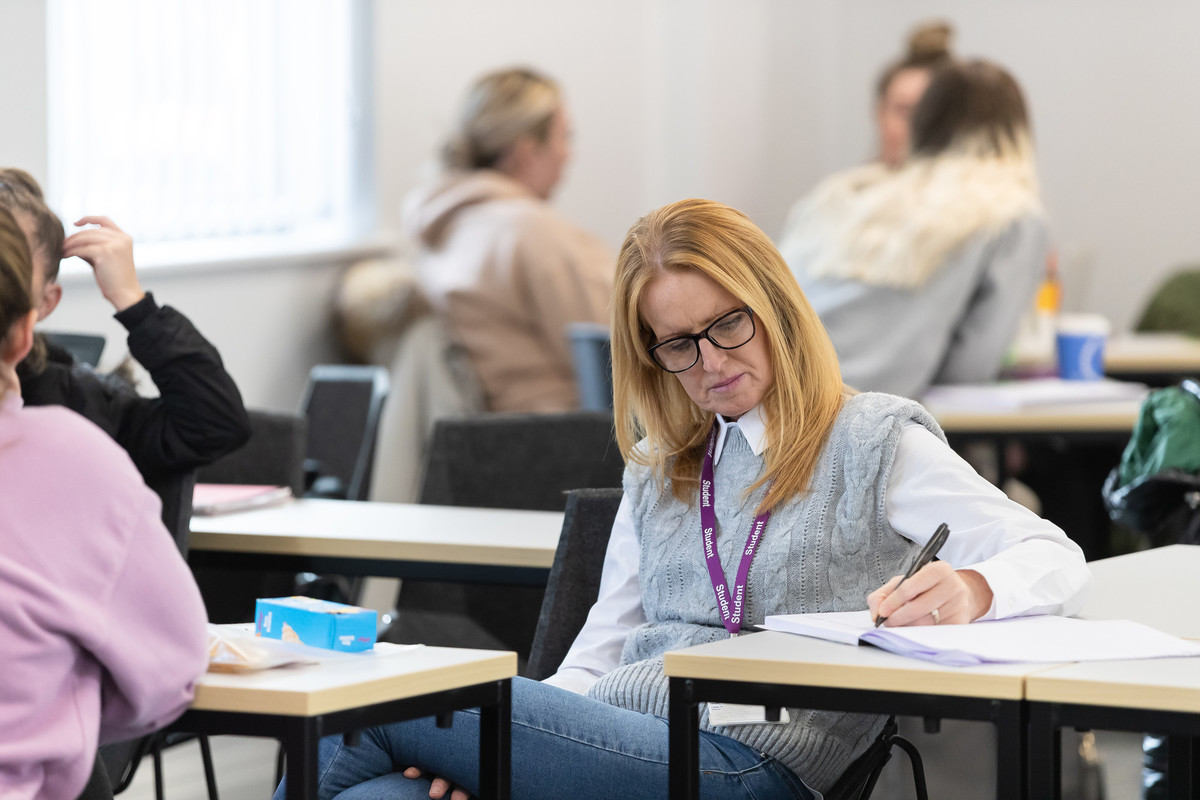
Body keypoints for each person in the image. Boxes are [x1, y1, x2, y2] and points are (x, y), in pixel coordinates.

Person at [276, 199, 1089, 800]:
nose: (709, 361)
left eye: (727, 325)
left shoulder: (874, 440)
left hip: (755, 759)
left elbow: (1053, 553)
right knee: (375, 797)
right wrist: (502, 753)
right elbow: (602, 648)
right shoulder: (664, 464)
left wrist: (975, 587)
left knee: (387, 700)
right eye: (677, 344)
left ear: (774, 306)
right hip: (628, 739)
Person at [0, 205, 210, 800]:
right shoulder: (71, 453)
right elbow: (171, 670)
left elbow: (211, 422)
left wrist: (137, 307)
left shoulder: (71, 396)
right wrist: (55, 699)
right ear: (25, 328)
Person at [0, 168, 250, 543]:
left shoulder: (75, 404)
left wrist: (135, 306)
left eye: (14, 267)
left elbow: (214, 423)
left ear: (46, 302)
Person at [778, 59, 1047, 400]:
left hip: (762, 396)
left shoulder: (846, 193)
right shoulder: (1012, 215)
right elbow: (971, 368)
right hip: (851, 413)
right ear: (1018, 130)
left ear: (923, 122)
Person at [402, 67, 613, 412]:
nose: (569, 154)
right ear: (526, 151)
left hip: (489, 442)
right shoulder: (532, 234)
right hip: (569, 443)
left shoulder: (445, 229)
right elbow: (619, 360)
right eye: (565, 137)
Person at [875, 21, 955, 168]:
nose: (917, 126)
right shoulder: (845, 189)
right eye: (904, 111)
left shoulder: (982, 189)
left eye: (932, 112)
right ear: (880, 114)